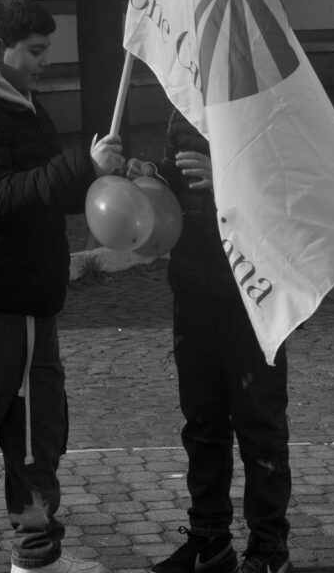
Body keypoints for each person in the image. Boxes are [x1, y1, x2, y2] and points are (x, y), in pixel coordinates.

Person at [0, 0, 125, 573]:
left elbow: (43, 187)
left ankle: (36, 558)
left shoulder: (17, 98)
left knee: (38, 443)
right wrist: (83, 166)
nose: (43, 62)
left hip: (34, 302)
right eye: (35, 51)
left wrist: (106, 178)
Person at [128, 108, 293, 573]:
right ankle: (208, 540)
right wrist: (151, 176)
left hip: (254, 293)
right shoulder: (181, 103)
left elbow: (290, 191)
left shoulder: (266, 103)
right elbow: (178, 183)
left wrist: (226, 183)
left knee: (260, 426)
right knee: (201, 423)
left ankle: (267, 548)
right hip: (192, 286)